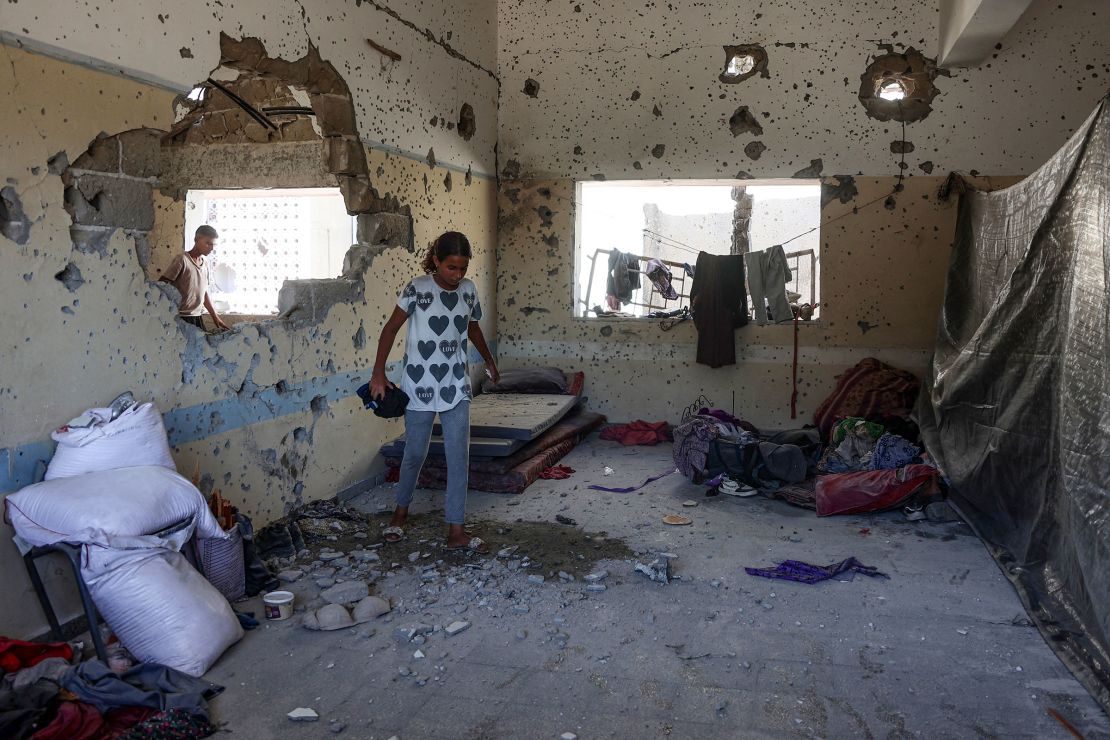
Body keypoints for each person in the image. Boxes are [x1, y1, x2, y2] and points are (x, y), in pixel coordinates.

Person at [370, 231, 499, 552]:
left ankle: (456, 529)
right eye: (451, 267)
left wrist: (489, 360)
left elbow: (472, 327)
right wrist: (378, 373)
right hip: (419, 386)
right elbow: (390, 329)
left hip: (456, 384)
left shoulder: (468, 291)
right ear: (437, 261)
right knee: (415, 452)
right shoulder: (417, 288)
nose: (457, 275)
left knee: (459, 457)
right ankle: (400, 512)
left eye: (463, 268)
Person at [160, 225, 230, 331]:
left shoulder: (205, 264)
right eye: (208, 243)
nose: (211, 248)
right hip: (181, 317)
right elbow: (161, 285)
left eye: (213, 245)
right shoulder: (182, 260)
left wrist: (215, 317)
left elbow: (204, 292)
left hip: (197, 317)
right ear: (196, 240)